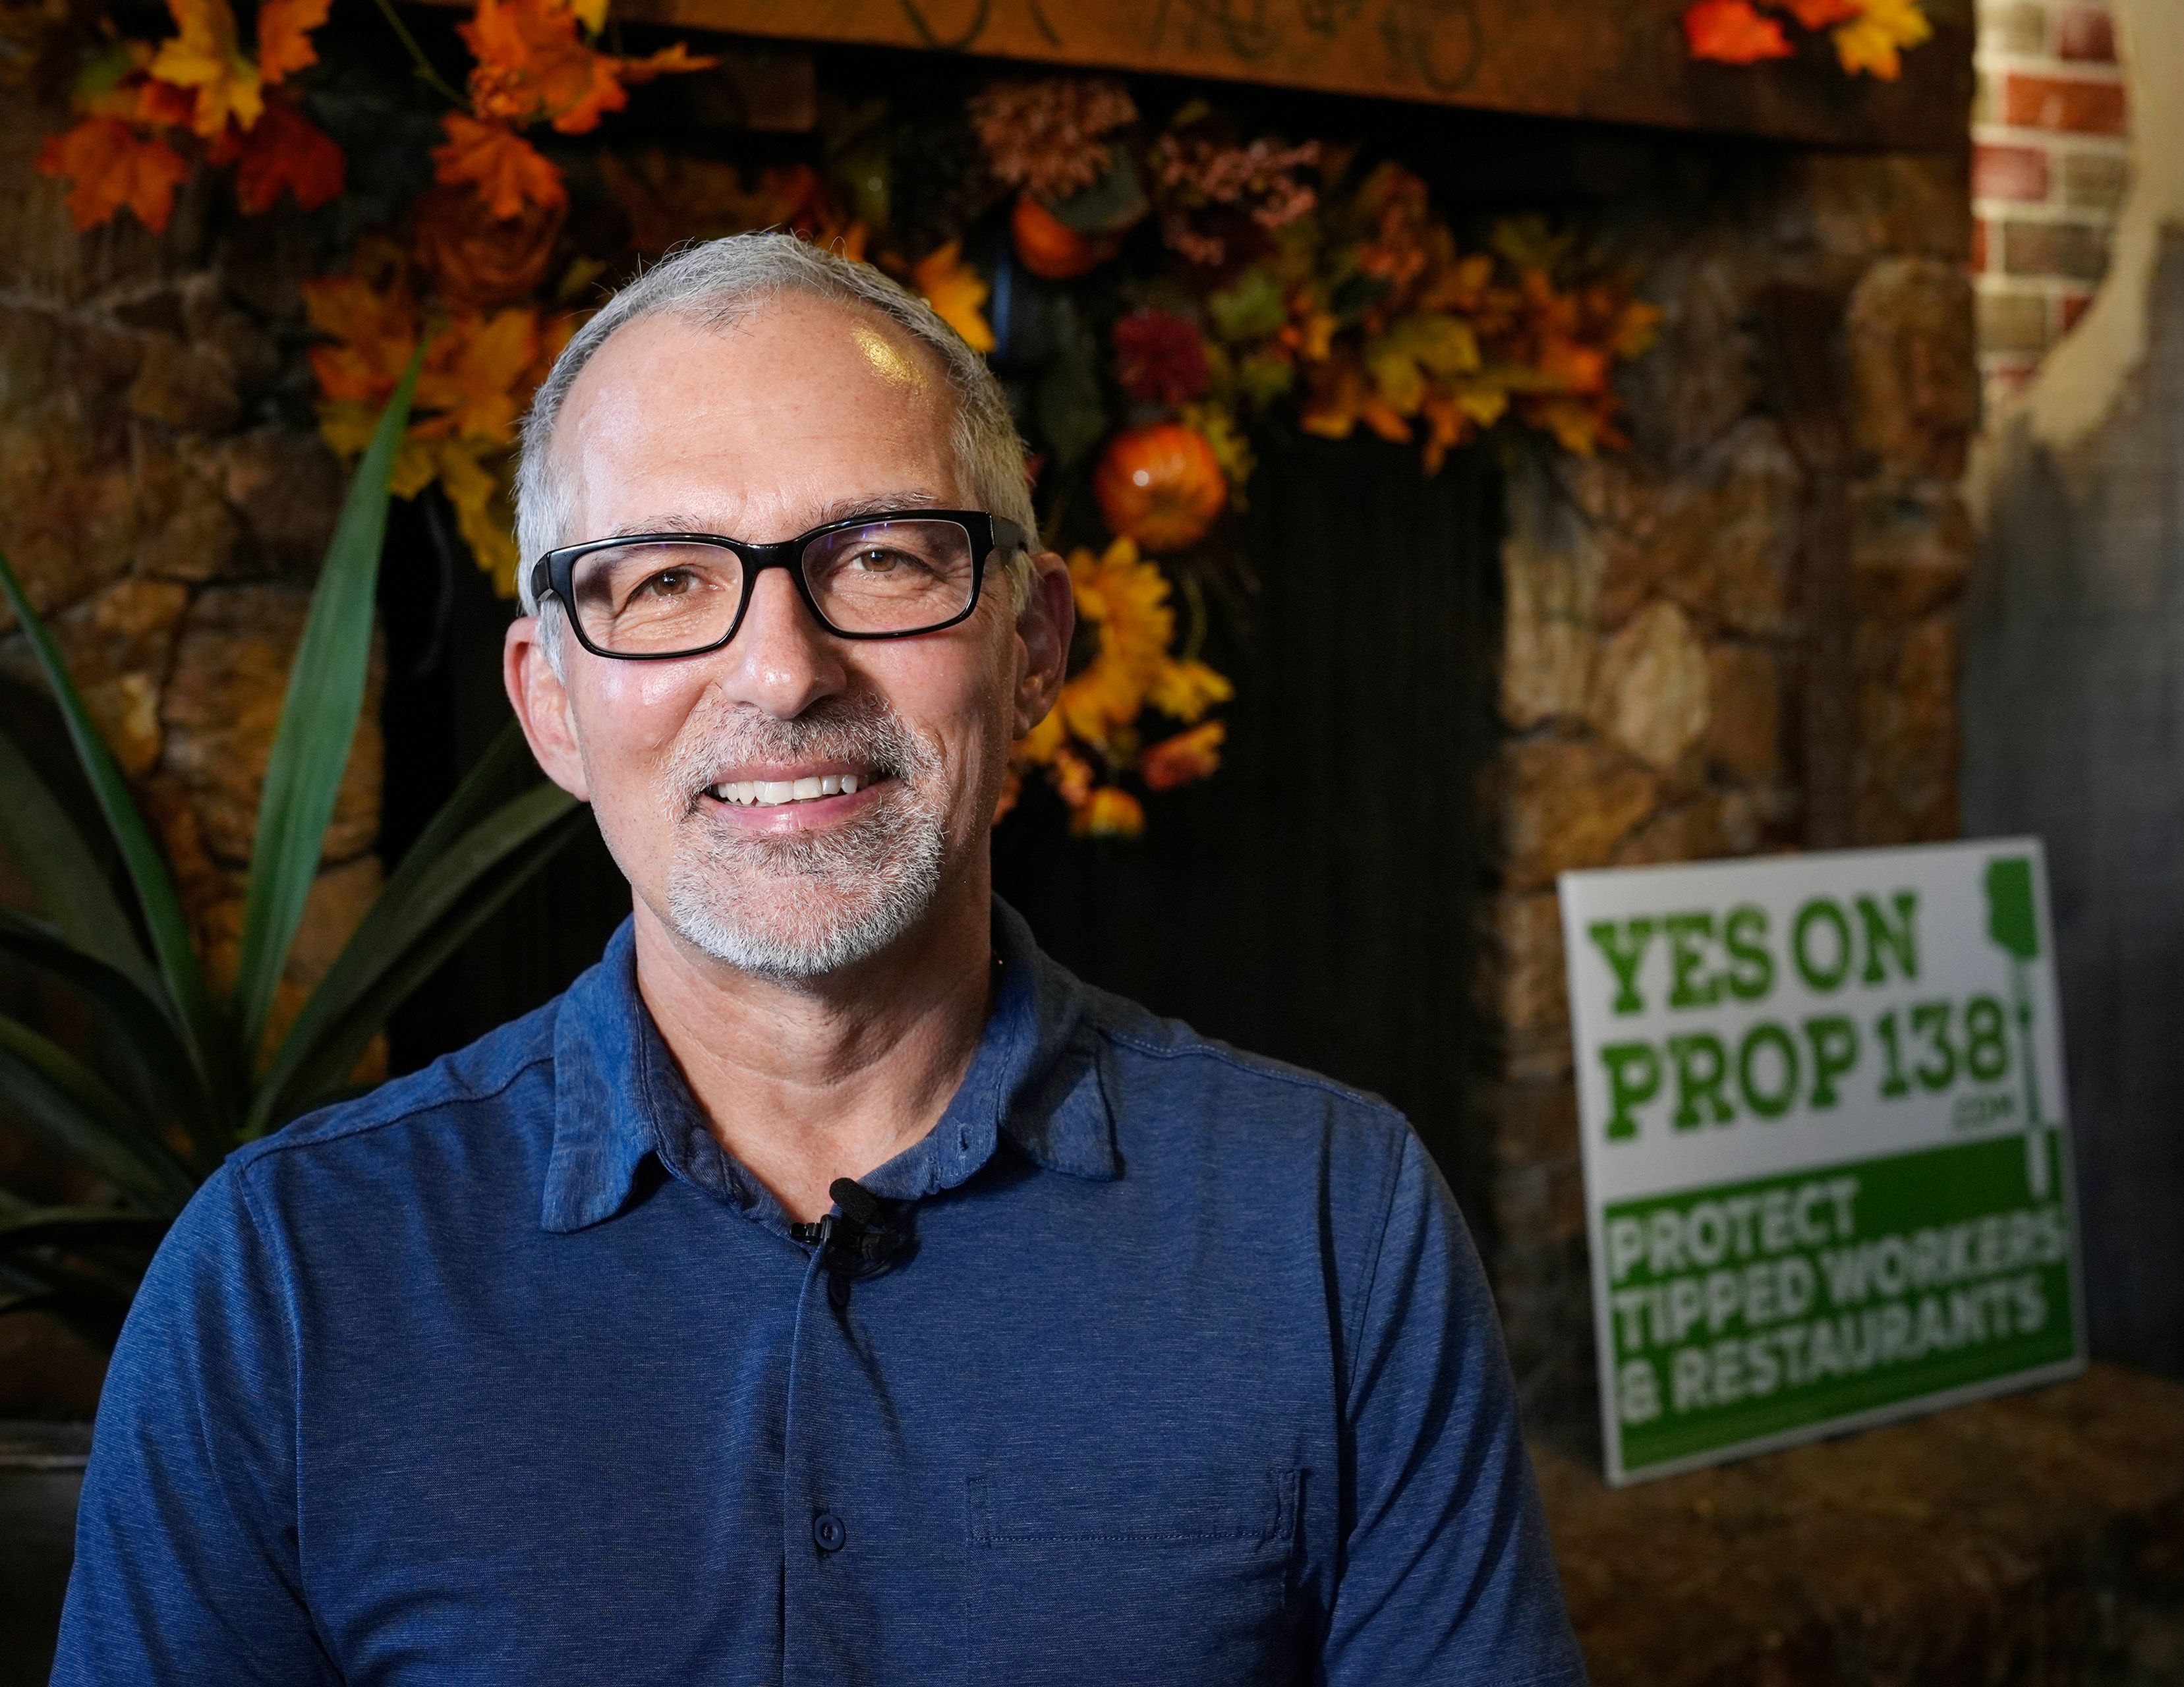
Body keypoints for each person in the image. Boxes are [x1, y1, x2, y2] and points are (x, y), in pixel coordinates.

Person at [51, 233, 1586, 1685]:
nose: (784, 670)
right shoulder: (283, 1282)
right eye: (662, 581)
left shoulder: (1330, 1222)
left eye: (885, 556)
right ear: (550, 706)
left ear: (1037, 644)